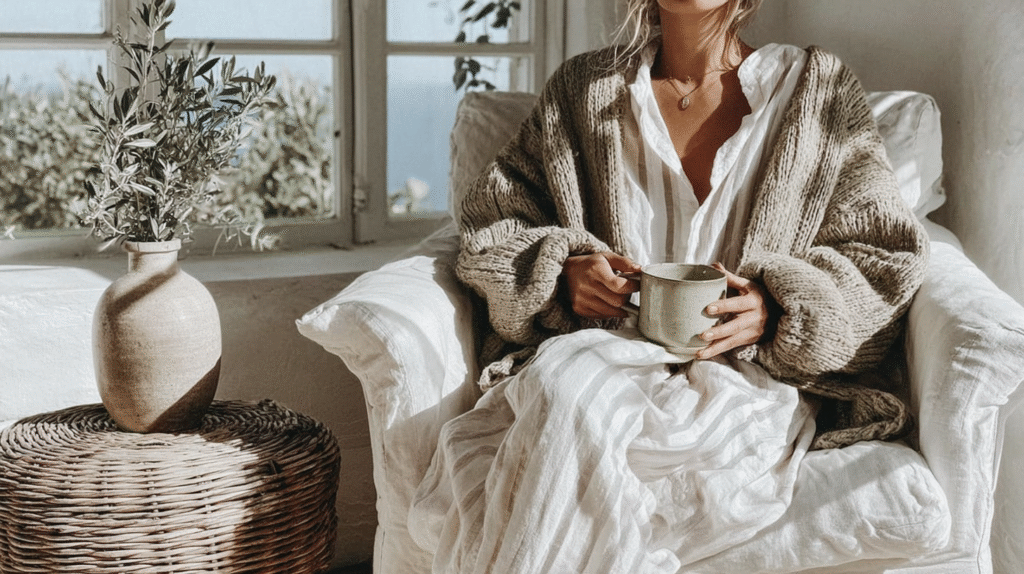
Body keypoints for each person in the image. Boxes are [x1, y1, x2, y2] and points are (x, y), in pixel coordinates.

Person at [408, 1, 929, 572]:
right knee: (568, 392)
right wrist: (561, 274)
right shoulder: (583, 90)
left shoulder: (817, 90)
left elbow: (884, 254)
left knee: (567, 406)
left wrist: (777, 310)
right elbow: (494, 222)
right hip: (600, 355)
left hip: (743, 381)